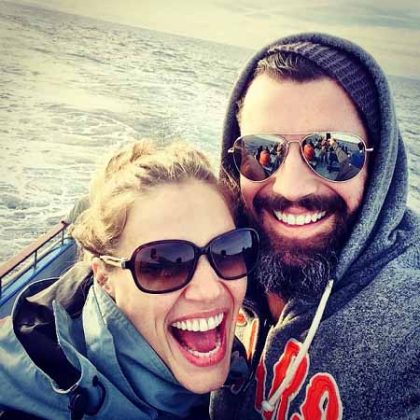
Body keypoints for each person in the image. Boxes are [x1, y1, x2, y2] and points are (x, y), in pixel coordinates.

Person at [211, 33, 420, 419]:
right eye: (262, 152)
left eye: (332, 153)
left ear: (378, 166)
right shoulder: (212, 262)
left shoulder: (407, 327)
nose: (290, 188)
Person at [0, 140, 260, 419]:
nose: (209, 291)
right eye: (163, 265)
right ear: (104, 277)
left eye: (229, 251)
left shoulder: (241, 370)